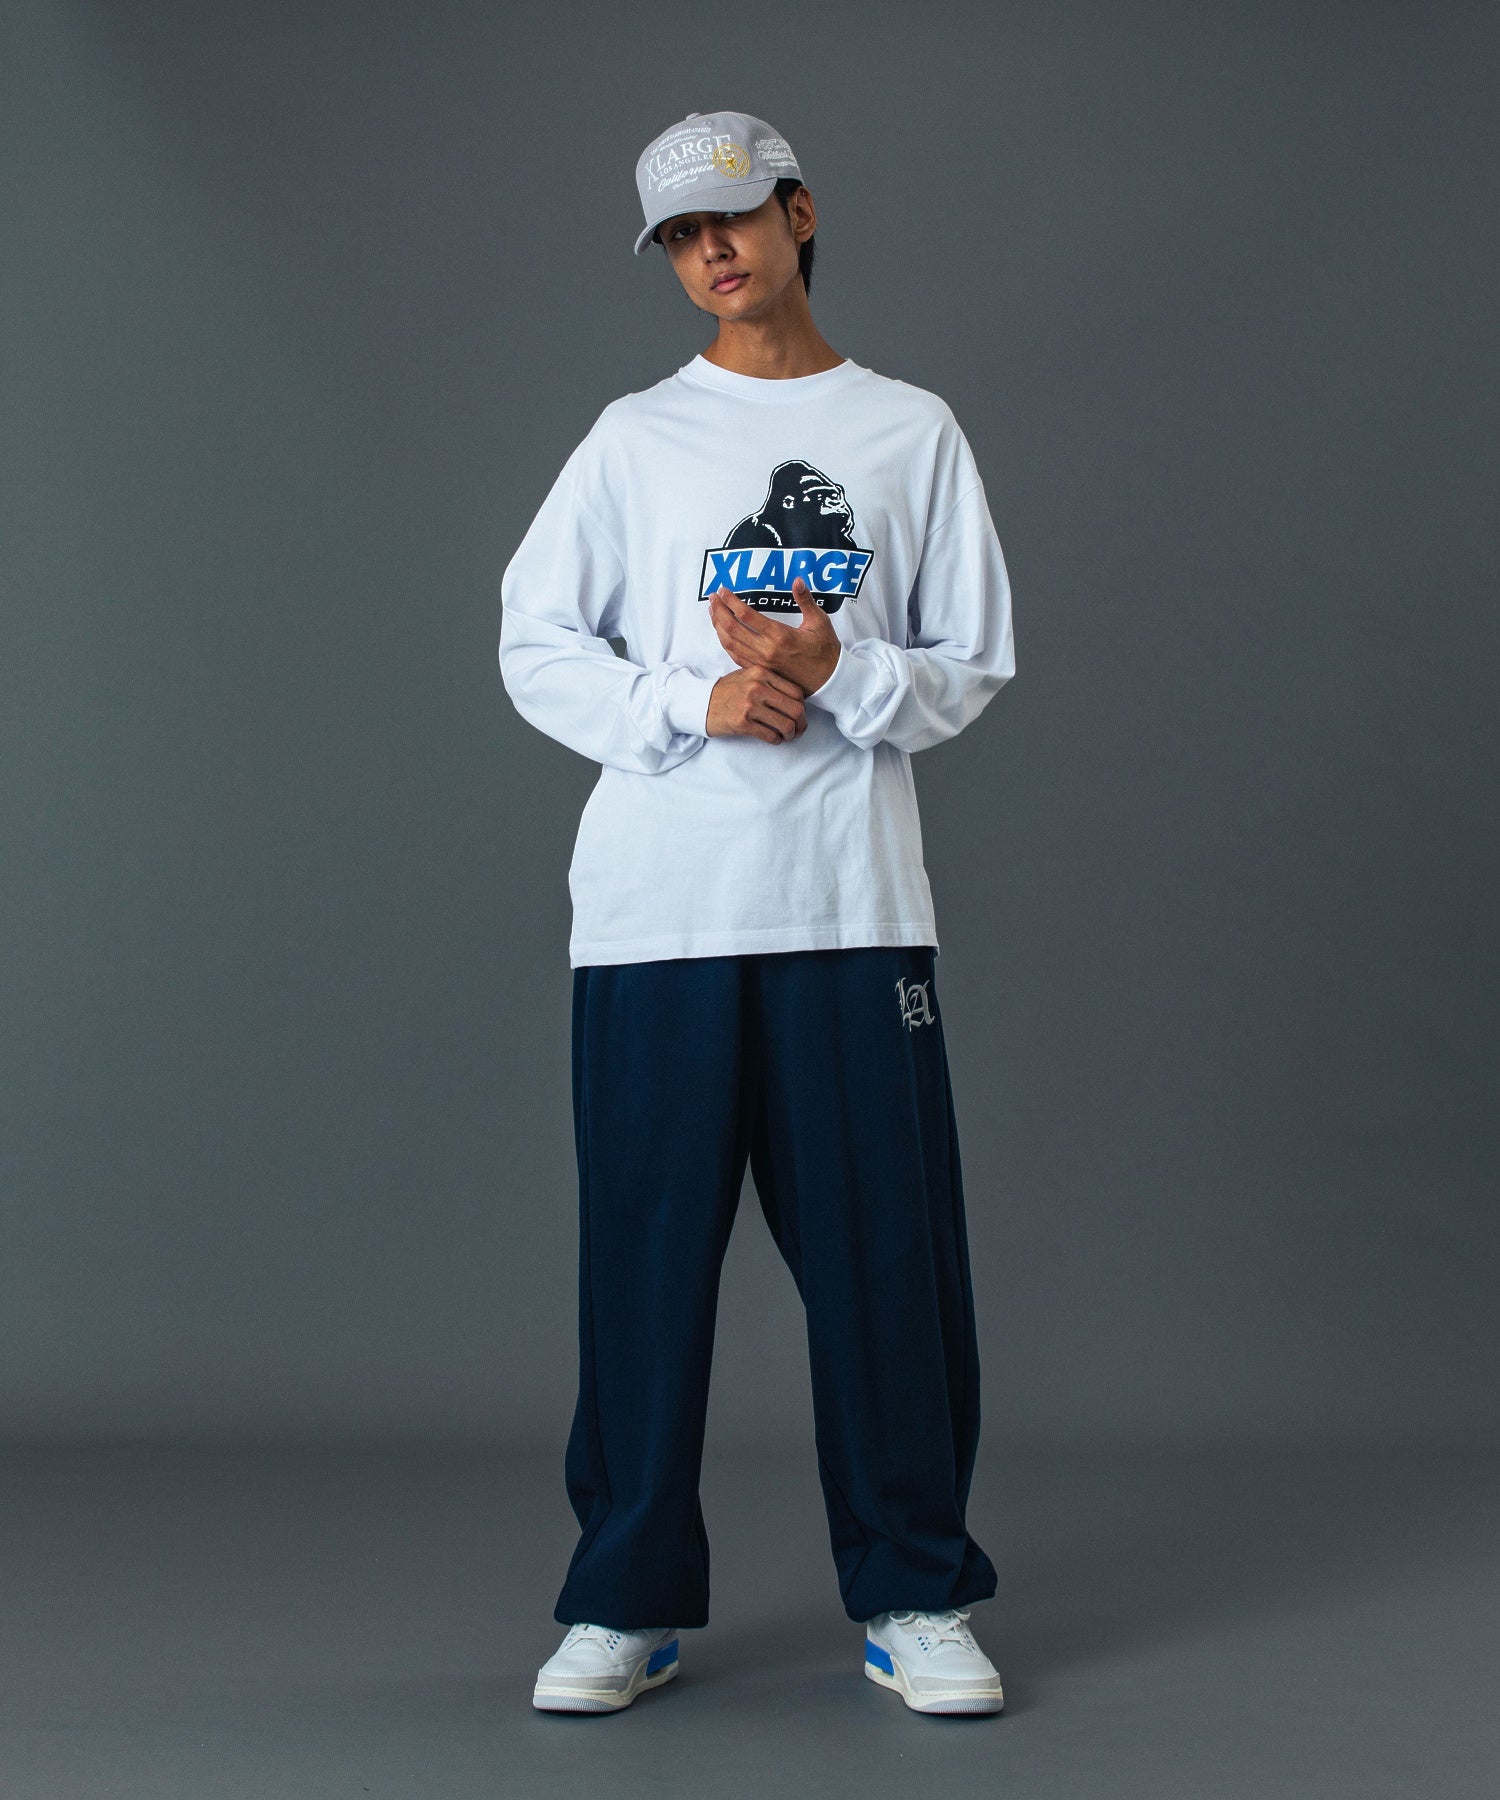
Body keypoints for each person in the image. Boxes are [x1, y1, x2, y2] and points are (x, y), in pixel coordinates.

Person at [498, 108, 1016, 1717]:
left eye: (732, 216)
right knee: (643, 1272)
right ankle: (623, 1600)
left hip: (850, 914)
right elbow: (534, 642)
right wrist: (695, 699)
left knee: (888, 1270)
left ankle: (915, 1591)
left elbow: (972, 663)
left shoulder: (910, 430)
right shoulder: (633, 438)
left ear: (798, 212)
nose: (711, 251)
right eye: (679, 235)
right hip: (657, 917)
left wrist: (833, 668)